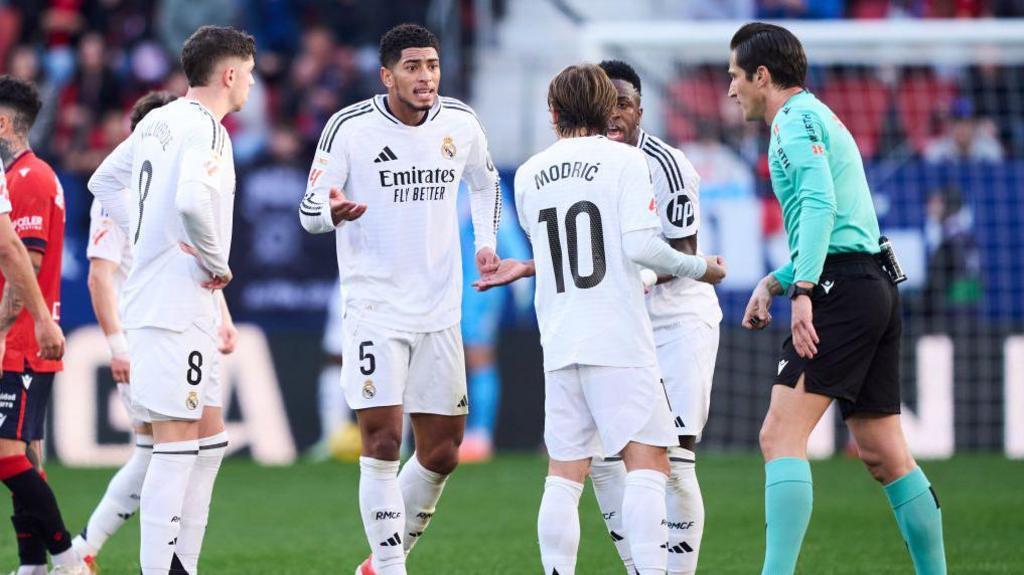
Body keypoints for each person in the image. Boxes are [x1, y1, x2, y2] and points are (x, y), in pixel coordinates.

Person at [474, 63, 726, 575]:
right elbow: (638, 247)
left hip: (565, 333)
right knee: (651, 463)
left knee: (565, 473)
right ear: (601, 107)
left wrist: (526, 266)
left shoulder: (526, 173)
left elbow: (573, 250)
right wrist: (701, 267)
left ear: (552, 113)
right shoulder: (623, 164)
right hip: (619, 331)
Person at [729, 22, 947, 575]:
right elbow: (839, 224)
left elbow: (822, 201)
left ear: (761, 75)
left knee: (780, 434)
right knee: (882, 451)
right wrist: (776, 281)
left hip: (841, 287)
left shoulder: (792, 122)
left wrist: (802, 289)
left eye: (735, 76)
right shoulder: (818, 115)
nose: (731, 90)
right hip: (871, 282)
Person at [297, 23, 502, 575]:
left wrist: (485, 245)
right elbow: (308, 208)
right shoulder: (349, 128)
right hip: (375, 309)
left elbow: (486, 184)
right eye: (412, 67)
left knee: (441, 452)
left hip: (440, 310)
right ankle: (391, 567)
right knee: (384, 441)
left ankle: (379, 562)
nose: (425, 77)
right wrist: (328, 213)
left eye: (432, 65)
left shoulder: (461, 122)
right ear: (387, 75)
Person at [88, 25, 253, 574]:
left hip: (180, 305)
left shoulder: (159, 119)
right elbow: (189, 201)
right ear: (229, 73)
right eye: (248, 72)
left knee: (209, 439)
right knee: (174, 442)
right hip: (172, 304)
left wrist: (148, 231)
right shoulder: (208, 130)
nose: (251, 82)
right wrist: (214, 260)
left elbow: (103, 183)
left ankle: (184, 564)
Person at [584, 59, 722, 575]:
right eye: (606, 103)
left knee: (675, 458)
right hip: (620, 325)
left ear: (640, 108)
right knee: (603, 457)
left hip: (676, 320)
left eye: (624, 102)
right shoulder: (587, 165)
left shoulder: (667, 164)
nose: (615, 113)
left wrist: (630, 281)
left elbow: (684, 252)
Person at [0, 74, 79, 575]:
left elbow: (21, 266)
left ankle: (69, 560)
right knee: (24, 453)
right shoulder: (24, 177)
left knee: (8, 456)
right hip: (24, 339)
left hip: (21, 340)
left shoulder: (28, 180)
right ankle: (33, 565)